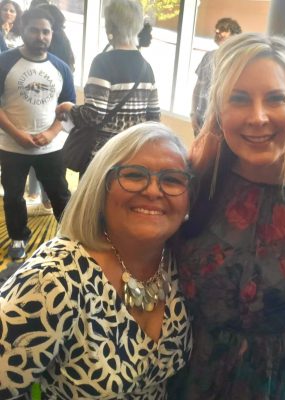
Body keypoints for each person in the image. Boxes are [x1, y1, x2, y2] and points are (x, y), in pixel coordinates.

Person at [176, 33, 285, 400]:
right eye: (239, 99)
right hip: (182, 366)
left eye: (275, 99)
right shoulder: (194, 177)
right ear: (219, 112)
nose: (257, 117)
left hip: (273, 380)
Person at [0, 122, 193, 399]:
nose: (153, 191)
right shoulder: (53, 279)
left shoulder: (181, 265)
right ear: (101, 187)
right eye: (134, 175)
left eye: (172, 179)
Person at [0, 7, 74, 259]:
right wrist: (17, 133)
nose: (40, 36)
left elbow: (70, 109)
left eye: (46, 31)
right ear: (23, 29)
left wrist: (52, 133)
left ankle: (68, 236)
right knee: (12, 196)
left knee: (60, 193)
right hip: (11, 146)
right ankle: (18, 237)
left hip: (51, 147)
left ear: (52, 34)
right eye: (35, 30)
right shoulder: (5, 61)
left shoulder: (61, 68)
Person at [56, 0, 160, 173]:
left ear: (109, 26)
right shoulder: (146, 66)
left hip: (102, 158)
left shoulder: (103, 62)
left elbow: (94, 115)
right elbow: (153, 118)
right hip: (131, 156)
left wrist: (69, 107)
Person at [190, 17, 241, 136]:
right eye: (217, 30)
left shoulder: (238, 61)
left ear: (234, 34)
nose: (218, 32)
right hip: (201, 119)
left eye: (223, 30)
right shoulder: (208, 56)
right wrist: (193, 113)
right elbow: (198, 87)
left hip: (223, 123)